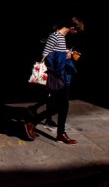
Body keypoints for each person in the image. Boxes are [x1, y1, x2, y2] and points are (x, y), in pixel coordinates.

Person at [23, 16, 84, 145]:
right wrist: (64, 56)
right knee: (62, 105)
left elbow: (57, 53)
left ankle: (58, 132)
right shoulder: (55, 36)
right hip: (55, 76)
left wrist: (67, 53)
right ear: (72, 28)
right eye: (77, 31)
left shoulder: (61, 38)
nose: (76, 34)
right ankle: (34, 123)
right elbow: (46, 55)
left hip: (60, 75)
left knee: (61, 106)